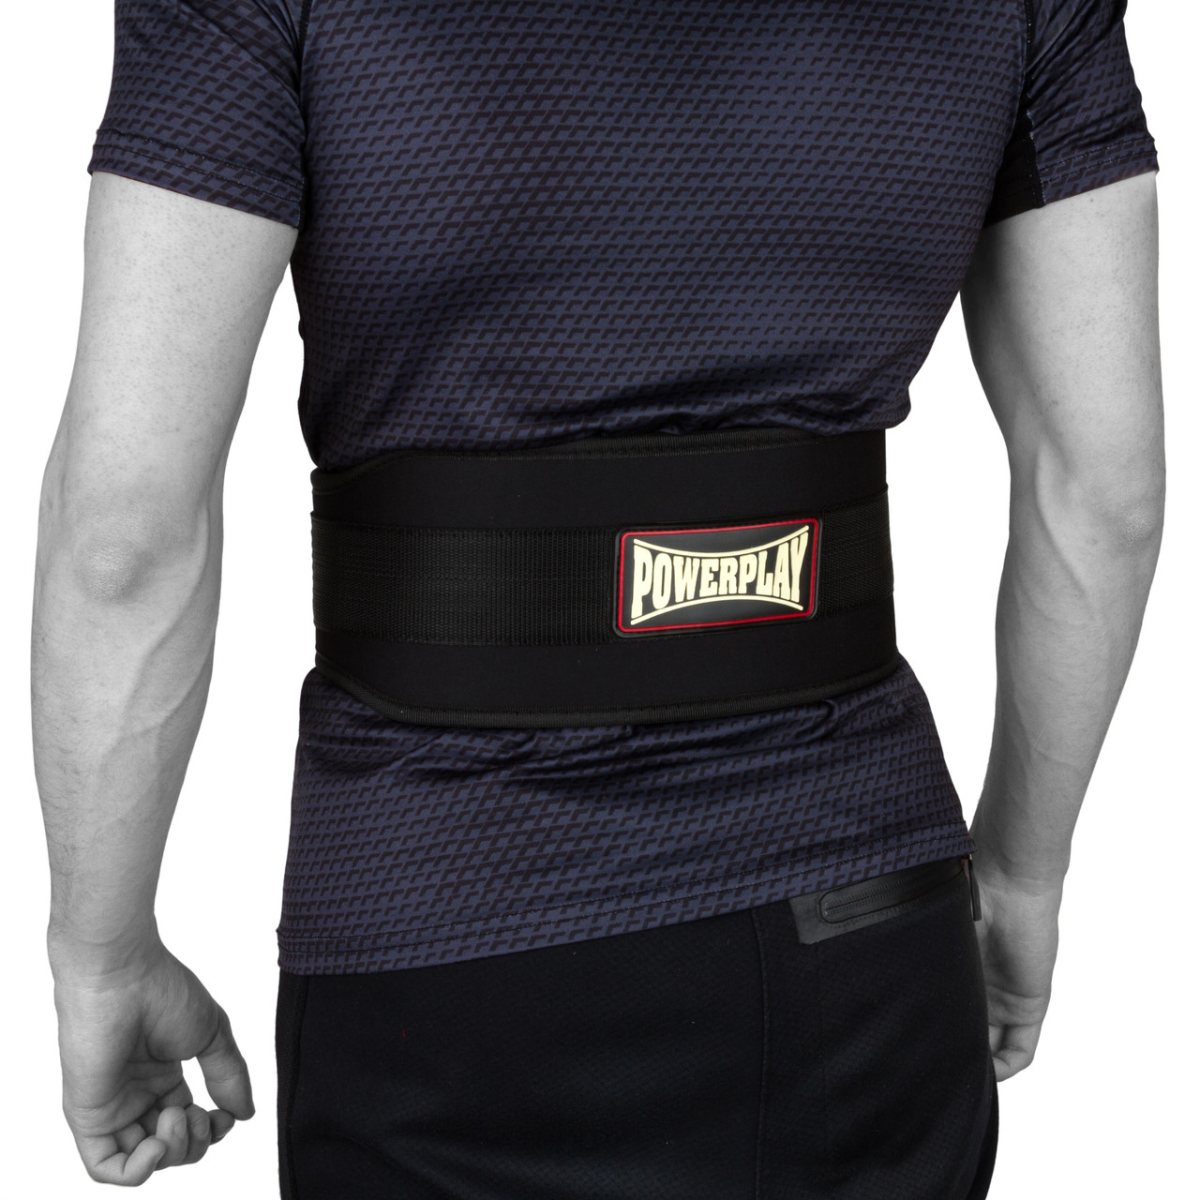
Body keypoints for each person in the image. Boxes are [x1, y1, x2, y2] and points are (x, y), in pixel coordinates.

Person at [33, 0, 1163, 1195]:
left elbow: (125, 536)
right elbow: (1104, 494)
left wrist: (102, 954)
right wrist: (1023, 872)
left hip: (447, 936)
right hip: (864, 924)